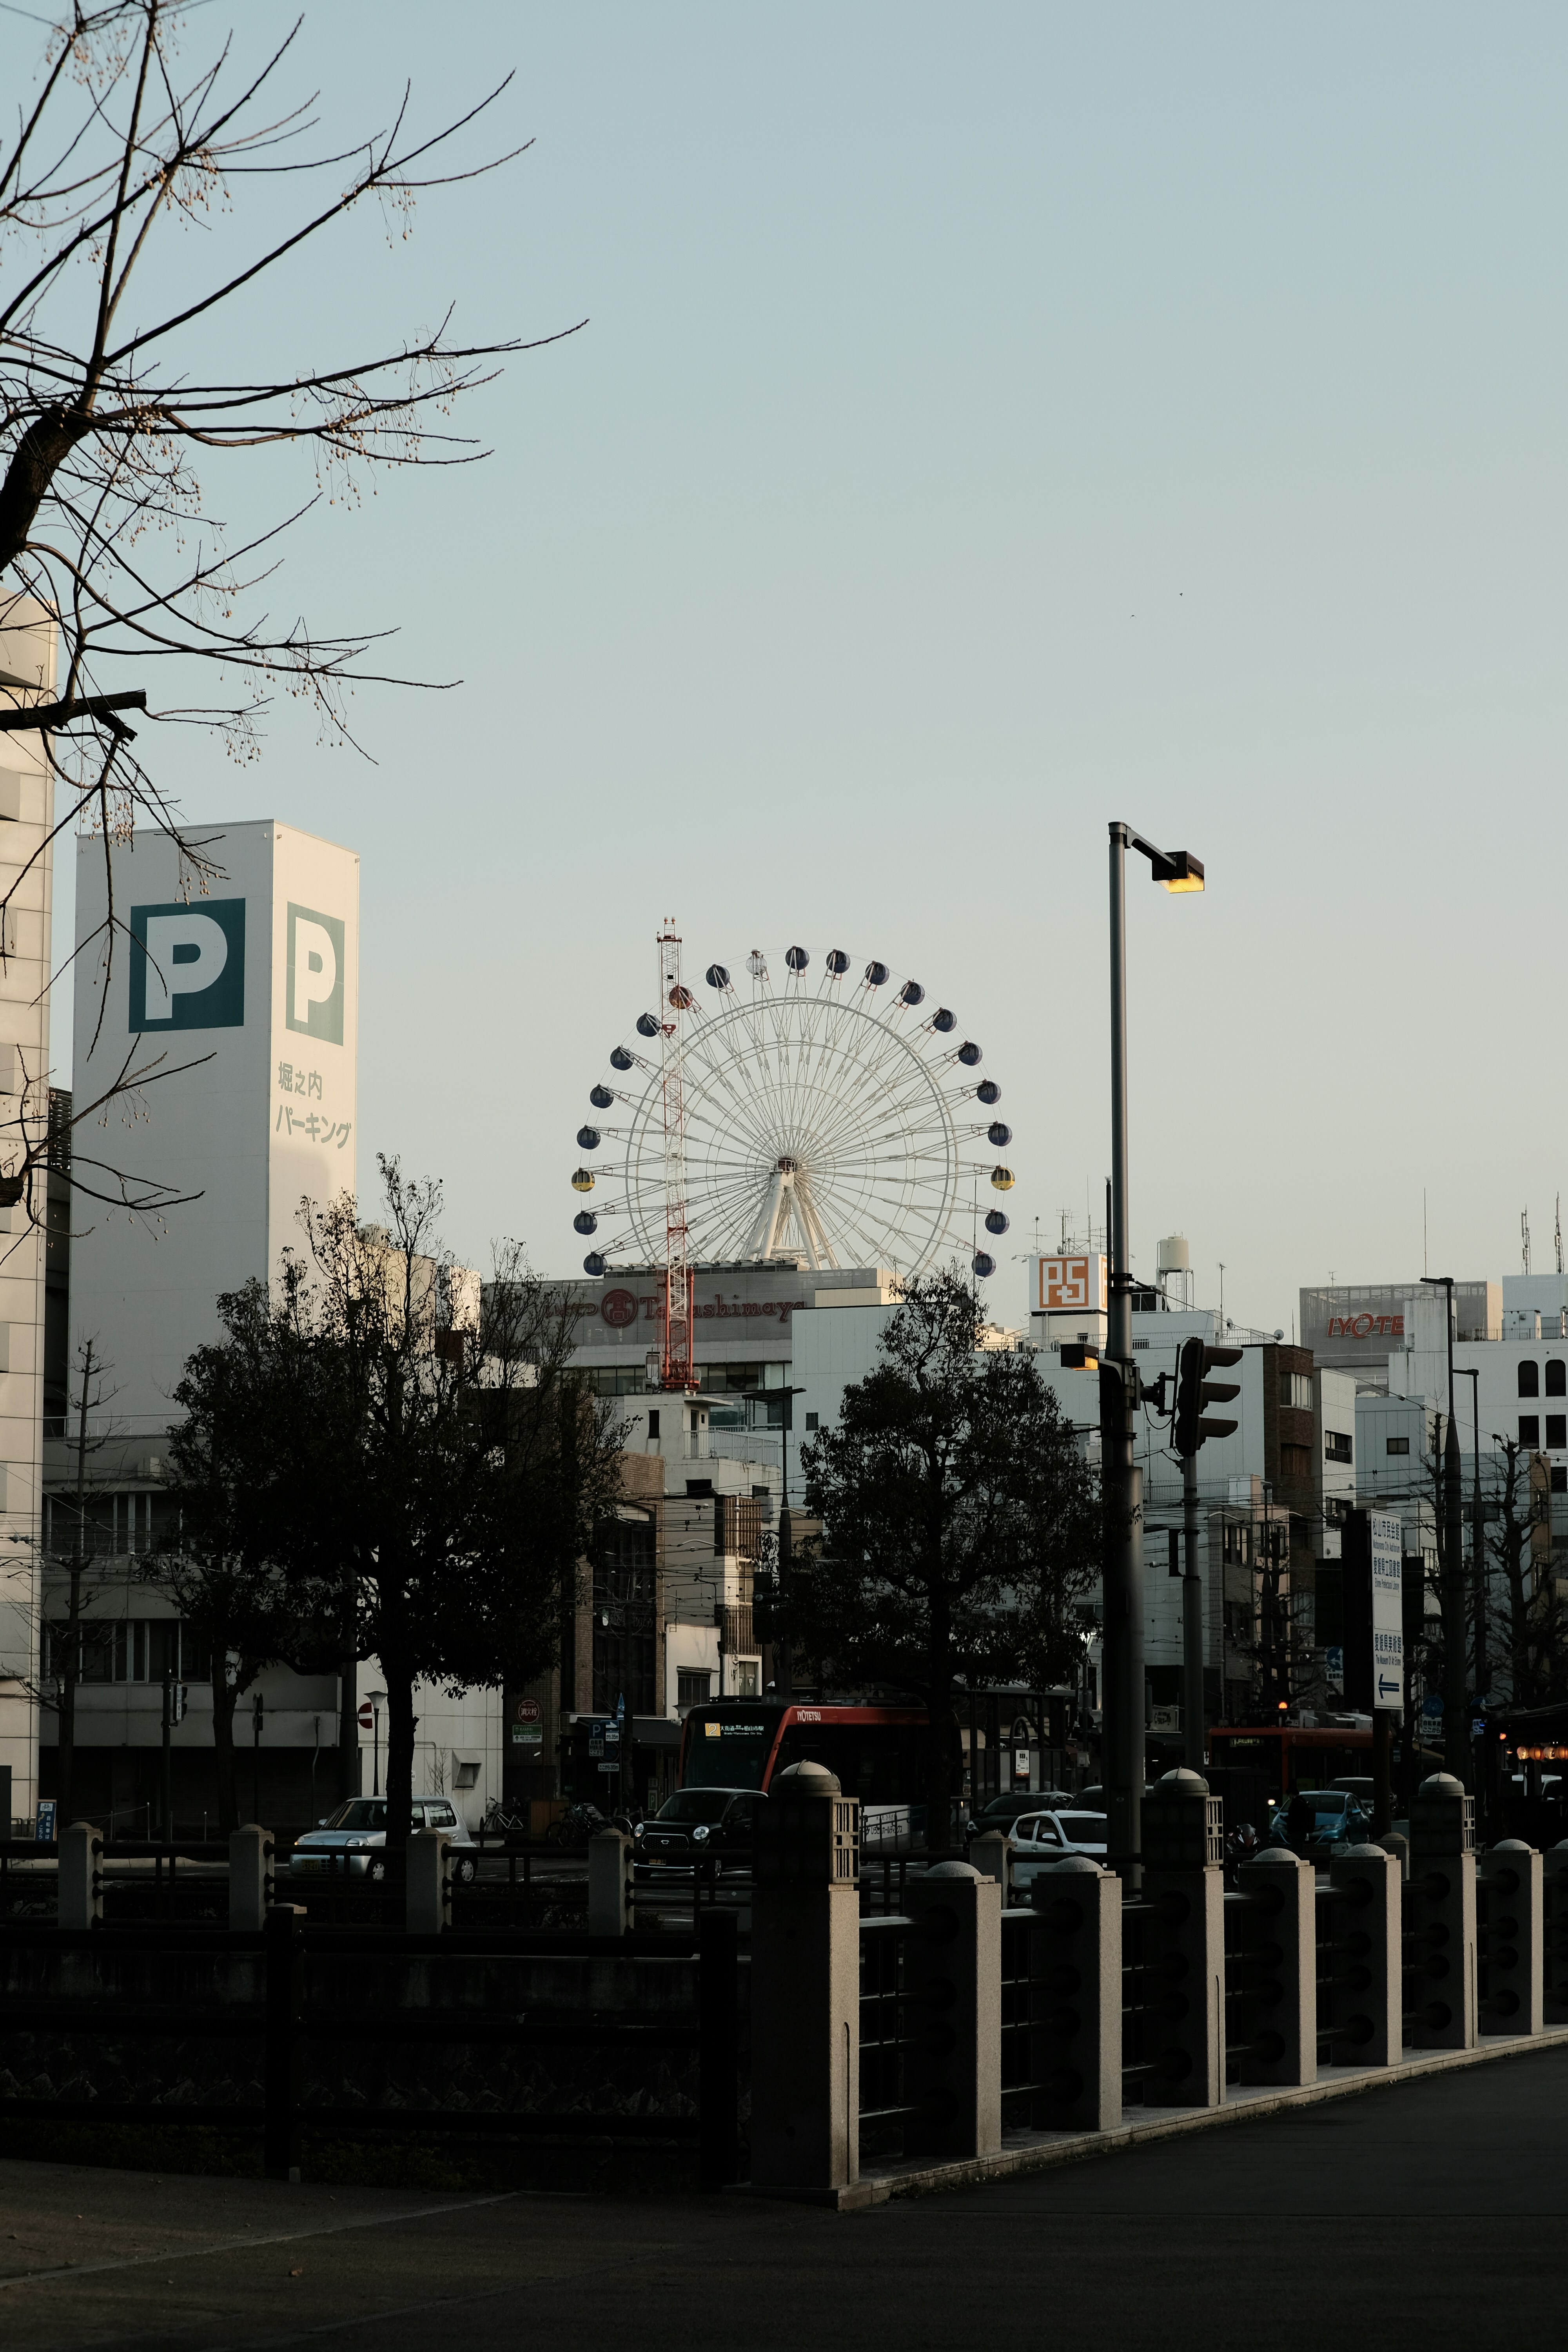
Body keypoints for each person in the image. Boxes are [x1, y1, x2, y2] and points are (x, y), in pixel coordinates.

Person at [1286, 1788, 1314, 1853]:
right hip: (1302, 1830)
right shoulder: (1303, 1801)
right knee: (1301, 1848)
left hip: (1296, 1830)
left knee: (1296, 1849)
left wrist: (1286, 1819)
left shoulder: (1295, 1803)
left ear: (1291, 1795)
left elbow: (1294, 1817)